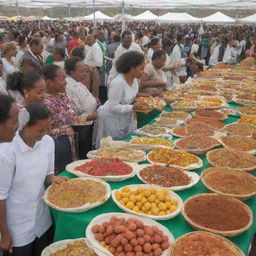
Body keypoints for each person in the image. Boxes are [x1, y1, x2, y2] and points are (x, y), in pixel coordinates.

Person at [0, 103, 67, 256]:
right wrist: (4, 234)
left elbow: (48, 172)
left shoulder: (47, 142)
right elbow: (1, 197)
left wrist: (51, 178)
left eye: (47, 128)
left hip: (41, 218)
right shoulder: (6, 152)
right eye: (39, 130)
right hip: (17, 224)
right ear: (24, 126)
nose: (44, 134)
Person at [93, 51, 145, 149]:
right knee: (113, 148)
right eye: (141, 68)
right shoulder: (118, 83)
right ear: (131, 69)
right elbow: (113, 107)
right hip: (112, 118)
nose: (143, 71)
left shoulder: (135, 79)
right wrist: (132, 107)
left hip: (125, 116)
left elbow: (132, 94)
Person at [42, 64, 79, 174]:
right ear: (50, 82)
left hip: (69, 141)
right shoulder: (46, 102)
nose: (66, 82)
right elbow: (45, 130)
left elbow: (75, 112)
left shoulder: (63, 95)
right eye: (62, 79)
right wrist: (63, 130)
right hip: (57, 145)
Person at [65, 58, 98, 158]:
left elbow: (87, 100)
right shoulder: (68, 86)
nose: (85, 74)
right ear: (72, 72)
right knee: (83, 155)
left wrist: (95, 101)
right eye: (82, 71)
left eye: (86, 71)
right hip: (80, 127)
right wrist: (88, 118)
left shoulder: (78, 83)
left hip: (88, 124)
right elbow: (73, 117)